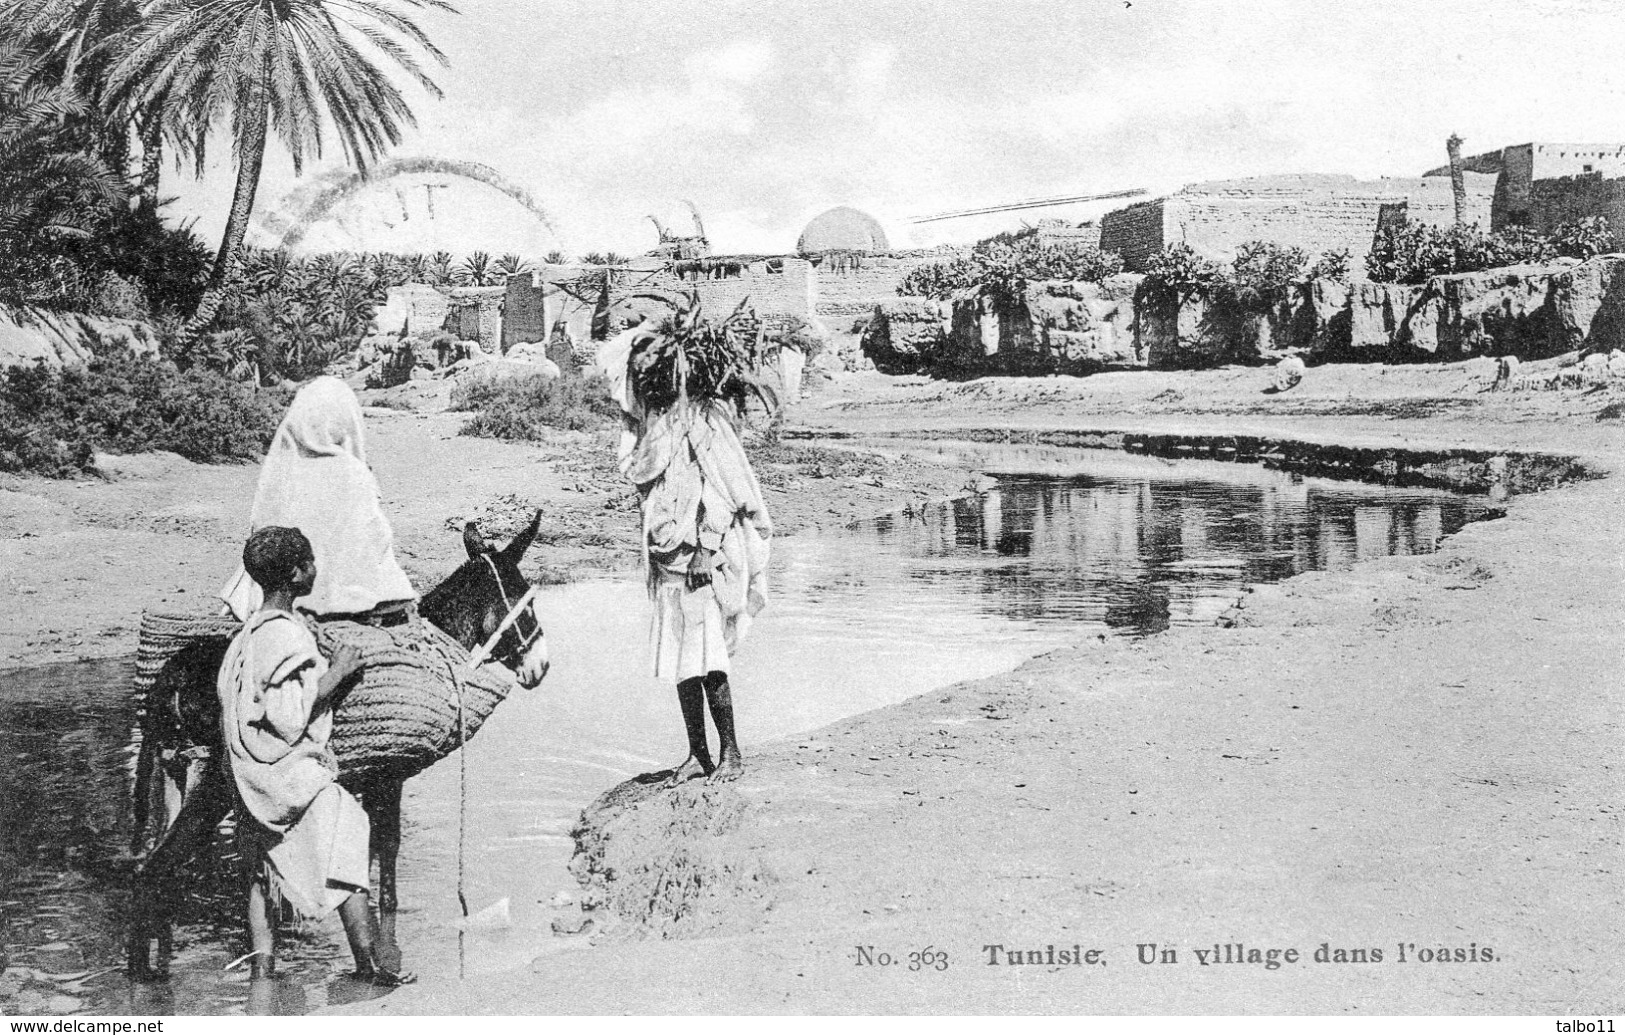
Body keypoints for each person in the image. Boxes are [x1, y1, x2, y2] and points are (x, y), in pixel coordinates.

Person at [218, 525, 413, 986]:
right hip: (278, 774)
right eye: (310, 562)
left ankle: (263, 971)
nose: (316, 569)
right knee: (348, 828)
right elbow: (288, 717)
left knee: (261, 861)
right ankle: (367, 966)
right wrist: (340, 671)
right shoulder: (284, 635)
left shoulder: (251, 631)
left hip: (245, 771)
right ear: (295, 573)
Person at [599, 327, 772, 784]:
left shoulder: (702, 420)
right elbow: (645, 478)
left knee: (708, 657)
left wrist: (705, 550)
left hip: (700, 559)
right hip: (666, 557)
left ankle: (730, 752)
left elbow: (722, 492)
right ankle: (698, 754)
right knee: (681, 661)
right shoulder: (657, 424)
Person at [220, 377, 416, 625]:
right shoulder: (352, 472)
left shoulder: (281, 468)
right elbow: (374, 541)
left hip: (274, 597)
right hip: (344, 601)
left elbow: (260, 529)